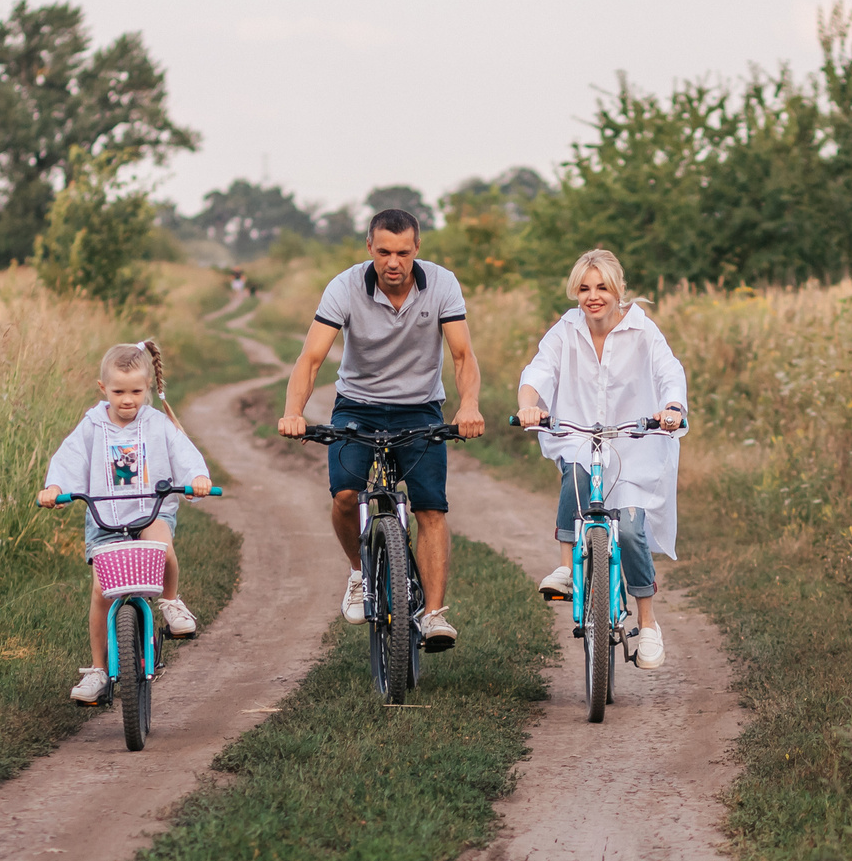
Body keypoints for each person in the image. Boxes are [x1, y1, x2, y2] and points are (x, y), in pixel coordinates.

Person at [276, 208, 487, 647]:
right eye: (384, 252)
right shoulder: (345, 286)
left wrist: (468, 406)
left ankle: (433, 614)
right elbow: (311, 358)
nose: (394, 262)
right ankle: (358, 572)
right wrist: (293, 410)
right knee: (345, 495)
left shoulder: (442, 284)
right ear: (369, 247)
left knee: (431, 509)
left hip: (420, 407)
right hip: (358, 405)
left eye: (404, 253)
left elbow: (463, 356)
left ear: (417, 250)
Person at [515, 247, 688, 670]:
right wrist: (528, 405)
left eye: (603, 287)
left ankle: (647, 623)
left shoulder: (642, 330)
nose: (593, 296)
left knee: (629, 530)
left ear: (618, 291)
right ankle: (565, 570)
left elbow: (670, 371)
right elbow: (537, 373)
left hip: (633, 445)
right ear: (576, 291)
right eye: (585, 288)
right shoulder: (565, 330)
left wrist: (673, 409)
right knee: (574, 470)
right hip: (582, 437)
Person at [39, 340, 214, 705]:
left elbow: (184, 451)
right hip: (105, 516)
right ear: (103, 389)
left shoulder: (156, 424)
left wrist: (197, 477)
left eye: (136, 391)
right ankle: (99, 670)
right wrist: (55, 487)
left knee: (161, 545)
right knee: (102, 591)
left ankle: (169, 602)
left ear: (148, 387)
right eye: (118, 391)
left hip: (151, 509)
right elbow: (69, 457)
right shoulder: (93, 425)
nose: (128, 400)